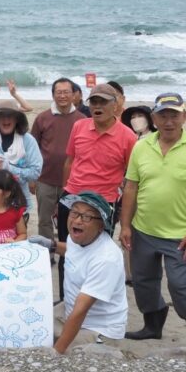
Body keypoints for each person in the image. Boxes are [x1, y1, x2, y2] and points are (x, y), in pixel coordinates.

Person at [120, 93, 186, 347]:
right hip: (143, 230)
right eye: (163, 115)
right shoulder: (142, 146)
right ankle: (153, 324)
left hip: (179, 234)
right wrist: (126, 225)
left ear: (184, 116)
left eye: (174, 115)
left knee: (181, 285)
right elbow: (130, 187)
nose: (169, 121)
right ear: (154, 118)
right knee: (143, 282)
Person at [58, 83, 136, 301]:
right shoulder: (79, 127)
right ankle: (67, 299)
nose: (98, 106)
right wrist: (64, 195)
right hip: (72, 197)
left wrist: (125, 215)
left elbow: (131, 177)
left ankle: (90, 300)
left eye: (103, 102)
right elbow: (69, 161)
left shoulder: (128, 137)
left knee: (96, 255)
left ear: (116, 105)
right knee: (68, 251)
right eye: (94, 102)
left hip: (104, 204)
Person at [29, 192, 128, 354]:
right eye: (74, 213)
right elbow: (74, 251)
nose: (77, 220)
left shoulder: (106, 258)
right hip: (70, 307)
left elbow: (81, 310)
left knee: (56, 350)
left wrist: (57, 352)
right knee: (30, 323)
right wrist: (52, 245)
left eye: (87, 217)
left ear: (102, 226)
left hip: (98, 328)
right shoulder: (78, 238)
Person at [29, 78, 84, 242]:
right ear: (53, 95)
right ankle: (48, 252)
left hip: (73, 180)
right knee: (44, 219)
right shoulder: (42, 118)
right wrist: (32, 179)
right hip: (45, 178)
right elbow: (33, 148)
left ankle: (67, 250)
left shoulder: (82, 119)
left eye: (66, 92)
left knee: (70, 218)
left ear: (74, 95)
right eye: (58, 92)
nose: (62, 96)